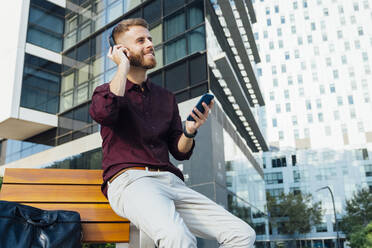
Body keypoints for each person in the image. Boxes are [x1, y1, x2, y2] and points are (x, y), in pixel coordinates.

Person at [89, 18, 256, 248]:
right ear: (122, 51)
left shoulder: (165, 97)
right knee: (178, 238)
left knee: (242, 234)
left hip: (172, 183)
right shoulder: (106, 92)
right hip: (131, 181)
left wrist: (189, 131)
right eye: (140, 40)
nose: (149, 43)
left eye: (149, 38)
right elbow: (105, 114)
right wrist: (122, 68)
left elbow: (179, 151)